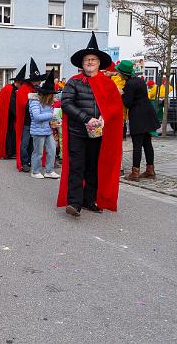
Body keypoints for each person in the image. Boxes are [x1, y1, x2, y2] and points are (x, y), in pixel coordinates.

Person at [57, 32, 123, 217]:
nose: (90, 62)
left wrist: (105, 117)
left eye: (93, 59)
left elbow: (115, 107)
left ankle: (89, 200)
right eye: (87, 59)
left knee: (94, 168)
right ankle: (74, 203)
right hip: (77, 132)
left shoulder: (108, 84)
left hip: (98, 134)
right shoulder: (74, 82)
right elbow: (66, 104)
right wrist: (86, 118)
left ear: (99, 63)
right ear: (82, 63)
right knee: (77, 167)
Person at [117, 60, 160, 181]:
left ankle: (135, 173)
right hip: (148, 114)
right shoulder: (140, 80)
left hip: (138, 116)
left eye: (119, 72)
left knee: (137, 145)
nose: (118, 74)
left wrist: (121, 94)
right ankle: (150, 170)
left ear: (123, 73)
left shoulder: (129, 84)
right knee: (147, 144)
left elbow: (128, 103)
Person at [15, 58, 47, 172]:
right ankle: (24, 162)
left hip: (36, 122)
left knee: (33, 144)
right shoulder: (24, 89)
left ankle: (31, 161)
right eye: (36, 80)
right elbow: (23, 105)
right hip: (26, 122)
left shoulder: (39, 89)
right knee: (25, 143)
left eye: (39, 80)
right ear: (31, 81)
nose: (38, 82)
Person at [28, 72, 60, 179]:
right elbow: (37, 116)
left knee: (52, 150)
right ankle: (35, 171)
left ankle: (49, 171)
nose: (53, 96)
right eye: (52, 94)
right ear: (47, 94)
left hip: (47, 130)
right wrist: (52, 115)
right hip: (37, 131)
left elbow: (49, 117)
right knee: (38, 153)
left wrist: (55, 120)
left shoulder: (48, 103)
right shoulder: (34, 102)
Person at [0, 64, 26, 160]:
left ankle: (10, 152)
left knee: (11, 134)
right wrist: (18, 116)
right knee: (9, 134)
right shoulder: (9, 90)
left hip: (9, 117)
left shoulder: (10, 89)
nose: (22, 86)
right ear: (17, 82)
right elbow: (13, 105)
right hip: (7, 118)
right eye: (21, 84)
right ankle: (8, 152)